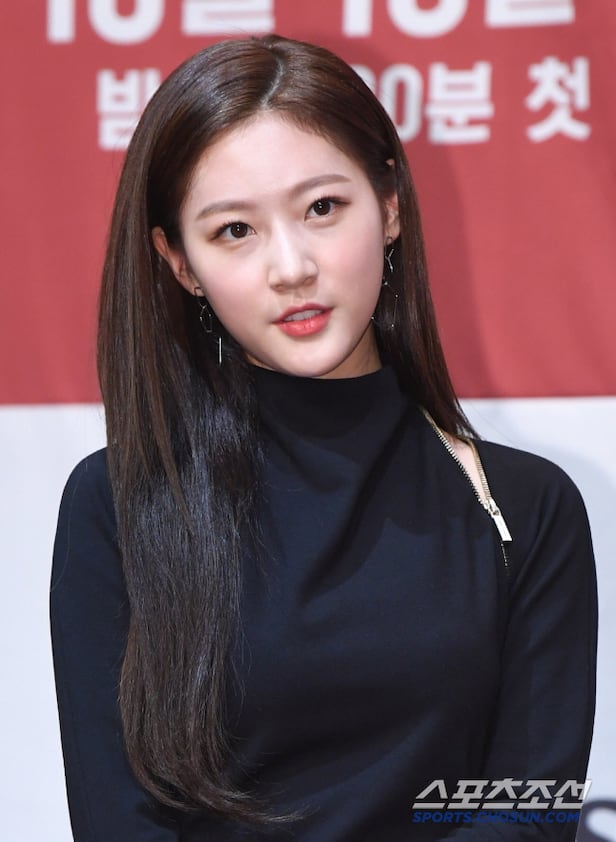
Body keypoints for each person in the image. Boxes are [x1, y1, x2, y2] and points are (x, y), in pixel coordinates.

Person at [50, 34, 597, 841]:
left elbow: (527, 808)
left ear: (391, 206)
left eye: (322, 208)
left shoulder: (524, 508)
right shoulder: (120, 505)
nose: (292, 267)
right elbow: (118, 822)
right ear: (180, 263)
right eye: (234, 230)